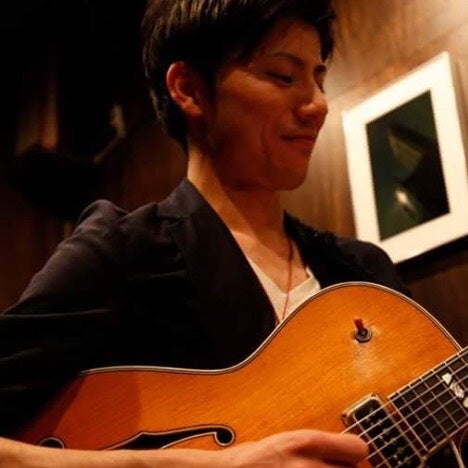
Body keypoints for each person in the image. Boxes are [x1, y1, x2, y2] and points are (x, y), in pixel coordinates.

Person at [0, 0, 409, 466]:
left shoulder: (363, 270)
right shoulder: (125, 251)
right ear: (189, 88)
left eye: (319, 79)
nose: (317, 104)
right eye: (282, 76)